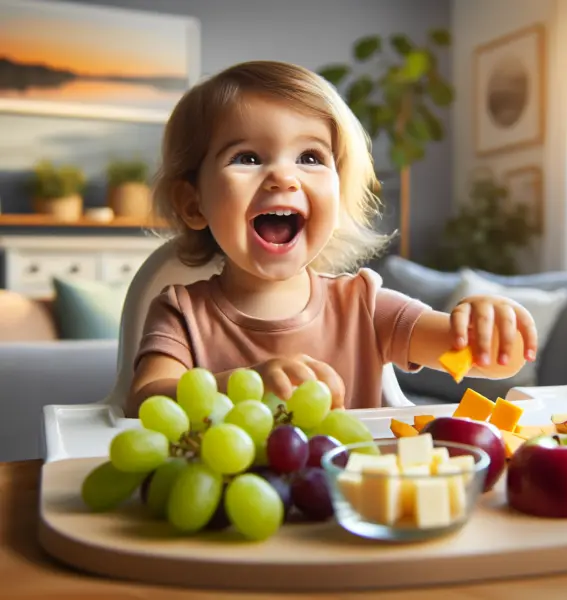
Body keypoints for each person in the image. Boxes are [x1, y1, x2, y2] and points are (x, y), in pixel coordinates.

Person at [126, 60, 537, 418]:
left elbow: (494, 362)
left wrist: (492, 325)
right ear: (194, 204)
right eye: (247, 158)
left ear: (338, 196)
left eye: (310, 157)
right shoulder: (181, 312)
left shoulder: (365, 306)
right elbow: (144, 402)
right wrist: (238, 387)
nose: (284, 177)